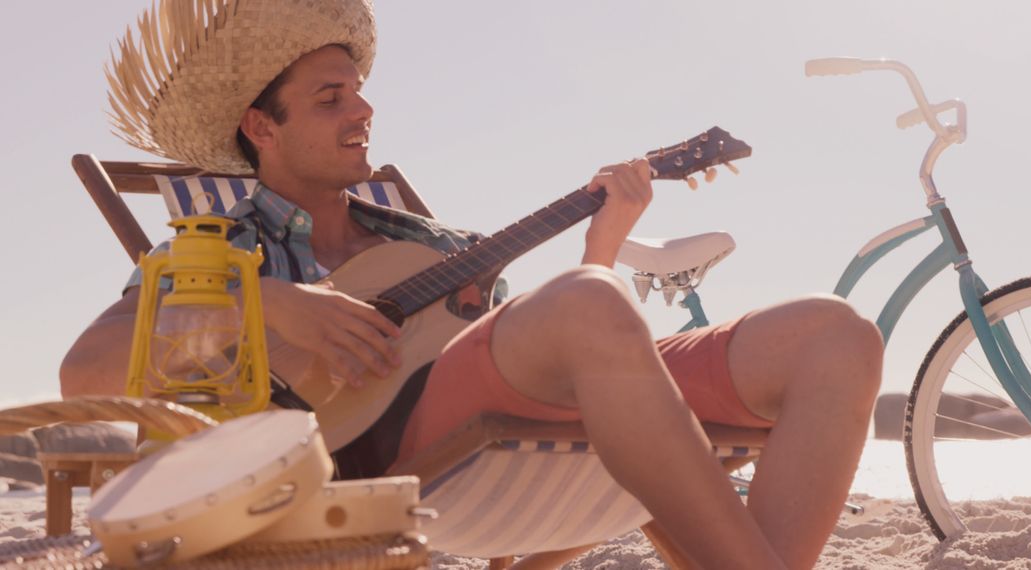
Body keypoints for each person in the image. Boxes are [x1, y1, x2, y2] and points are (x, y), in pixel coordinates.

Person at [60, 1, 884, 568]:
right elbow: (85, 370)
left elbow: (571, 351)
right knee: (589, 302)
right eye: (331, 98)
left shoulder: (428, 243)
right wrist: (273, 301)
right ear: (262, 127)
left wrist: (603, 246)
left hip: (533, 414)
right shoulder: (221, 251)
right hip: (380, 449)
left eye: (360, 92)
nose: (364, 111)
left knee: (833, 332)